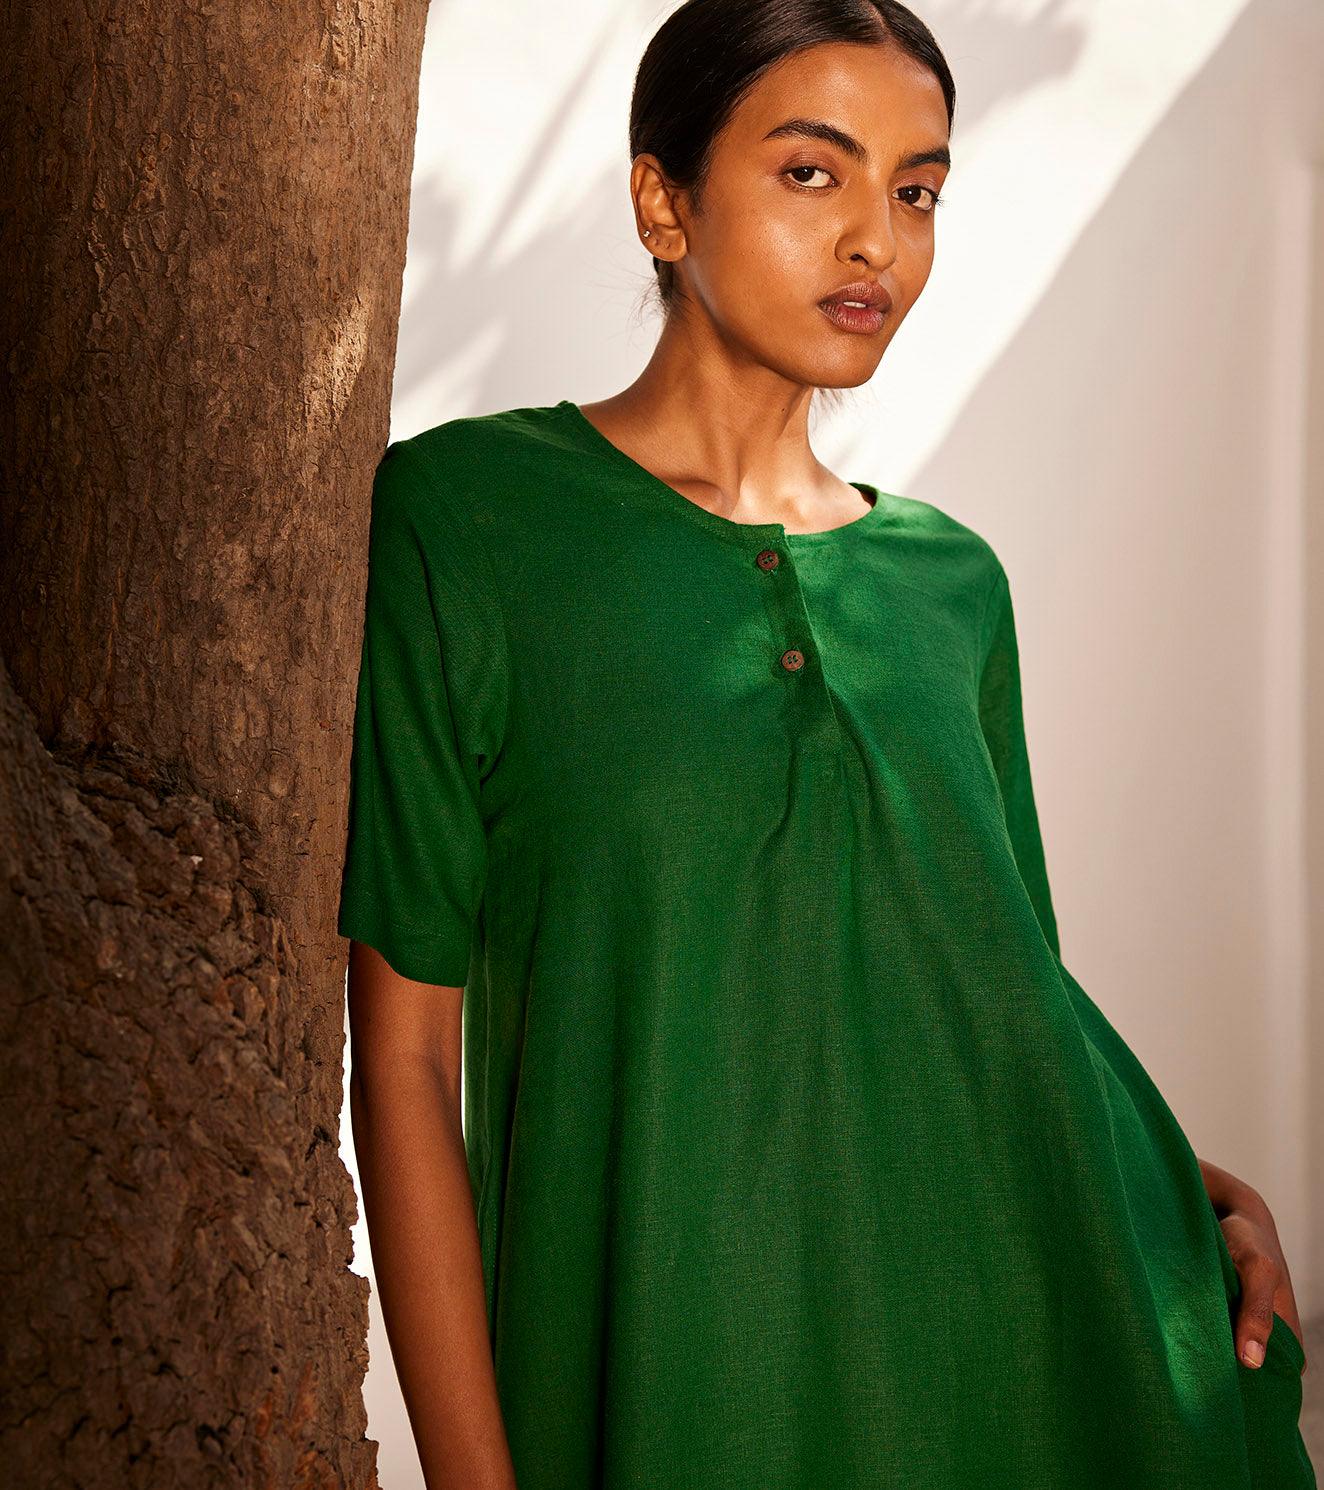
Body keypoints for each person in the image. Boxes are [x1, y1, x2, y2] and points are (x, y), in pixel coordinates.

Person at [336, 2, 1317, 1486]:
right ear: (663, 202)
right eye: (813, 172)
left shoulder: (950, 586)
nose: (878, 242)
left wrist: (1179, 1198)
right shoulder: (470, 521)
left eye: (916, 191)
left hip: (993, 1389)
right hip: (675, 1392)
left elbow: (999, 1016)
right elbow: (405, 1057)